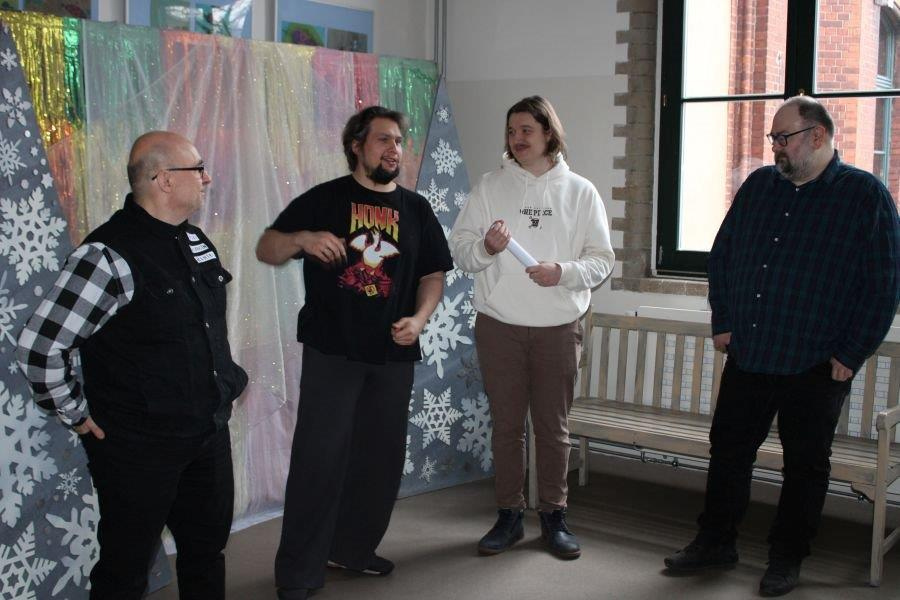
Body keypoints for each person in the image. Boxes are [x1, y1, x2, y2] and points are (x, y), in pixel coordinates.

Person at [664, 96, 900, 597]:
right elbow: (723, 255)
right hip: (751, 351)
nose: (776, 147)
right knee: (729, 452)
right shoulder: (759, 187)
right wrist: (724, 320)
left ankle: (787, 556)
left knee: (805, 467)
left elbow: (883, 286)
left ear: (818, 136)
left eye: (783, 137)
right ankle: (715, 541)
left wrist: (851, 352)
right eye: (773, 138)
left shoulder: (864, 196)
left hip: (816, 362)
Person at [16, 131, 248, 600]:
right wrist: (75, 413)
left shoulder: (195, 240)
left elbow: (203, 330)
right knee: (125, 570)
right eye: (197, 168)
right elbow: (41, 346)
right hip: (140, 448)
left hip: (206, 434)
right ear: (163, 179)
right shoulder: (107, 255)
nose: (207, 178)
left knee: (206, 554)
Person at [256, 105, 453, 600]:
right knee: (318, 461)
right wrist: (301, 238)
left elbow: (433, 275)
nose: (394, 149)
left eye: (398, 141)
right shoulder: (326, 199)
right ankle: (298, 572)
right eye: (383, 139)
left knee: (379, 461)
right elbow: (266, 247)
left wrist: (419, 319)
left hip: (393, 356)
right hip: (333, 353)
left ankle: (353, 550)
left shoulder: (417, 210)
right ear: (356, 146)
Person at [448, 96, 614, 560]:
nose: (517, 139)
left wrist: (562, 272)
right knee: (506, 427)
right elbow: (461, 251)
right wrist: (486, 247)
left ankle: (554, 517)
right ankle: (508, 515)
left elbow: (602, 260)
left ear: (548, 134)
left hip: (557, 328)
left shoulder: (580, 192)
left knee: (553, 429)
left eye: (526, 130)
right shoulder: (489, 187)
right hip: (499, 325)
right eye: (511, 131)